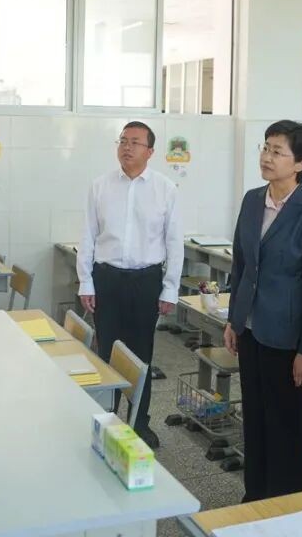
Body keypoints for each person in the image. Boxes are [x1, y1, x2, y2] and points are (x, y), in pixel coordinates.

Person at [222, 120, 302, 501]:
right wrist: (235, 319)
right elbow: (240, 264)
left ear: (301, 163)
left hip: (286, 337)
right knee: (254, 417)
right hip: (251, 330)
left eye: (277, 152)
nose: (266, 157)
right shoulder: (253, 199)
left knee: (284, 424)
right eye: (265, 148)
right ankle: (255, 497)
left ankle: (285, 506)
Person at [77, 121, 182, 448]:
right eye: (123, 141)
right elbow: (88, 236)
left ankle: (139, 423)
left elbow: (174, 242)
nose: (127, 147)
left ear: (150, 151)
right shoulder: (100, 186)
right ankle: (108, 418)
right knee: (106, 351)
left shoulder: (165, 189)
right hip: (106, 278)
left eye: (135, 142)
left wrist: (170, 288)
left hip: (145, 281)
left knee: (141, 355)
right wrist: (86, 282)